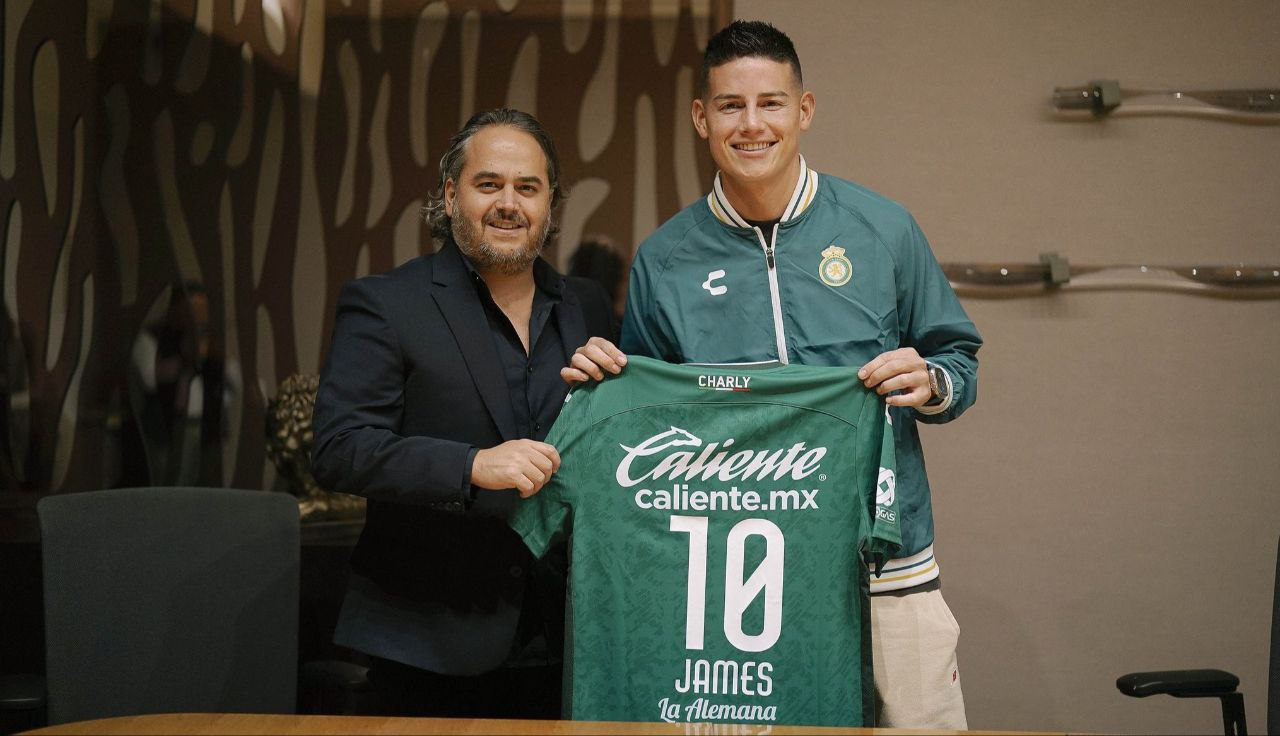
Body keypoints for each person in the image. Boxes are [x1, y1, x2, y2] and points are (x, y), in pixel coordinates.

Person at [561, 21, 982, 730]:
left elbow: (958, 358)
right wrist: (605, 381)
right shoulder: (665, 259)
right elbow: (652, 422)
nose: (751, 124)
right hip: (736, 585)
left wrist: (934, 383)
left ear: (804, 110)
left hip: (886, 563)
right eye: (730, 106)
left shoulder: (883, 229)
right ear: (702, 118)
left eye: (771, 104)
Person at [311, 108, 615, 718]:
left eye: (528, 187)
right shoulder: (386, 303)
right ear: (451, 196)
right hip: (427, 646)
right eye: (488, 184)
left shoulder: (586, 306)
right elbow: (339, 448)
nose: (509, 203)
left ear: (550, 204)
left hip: (568, 642)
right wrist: (472, 465)